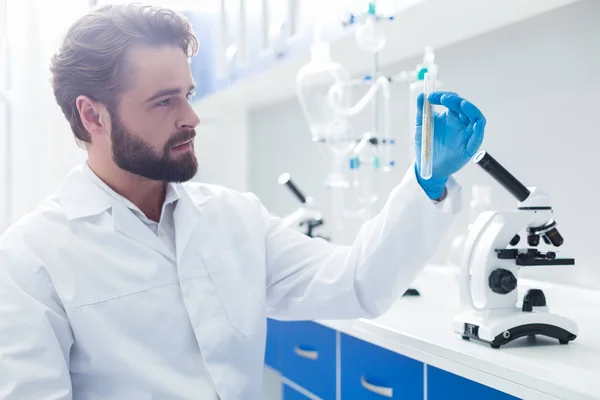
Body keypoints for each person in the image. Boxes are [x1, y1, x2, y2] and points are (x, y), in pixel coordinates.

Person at [0, 4, 486, 400]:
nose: (191, 116)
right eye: (164, 101)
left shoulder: (233, 218)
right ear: (92, 115)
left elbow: (356, 284)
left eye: (188, 94)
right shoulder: (32, 258)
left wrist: (426, 182)